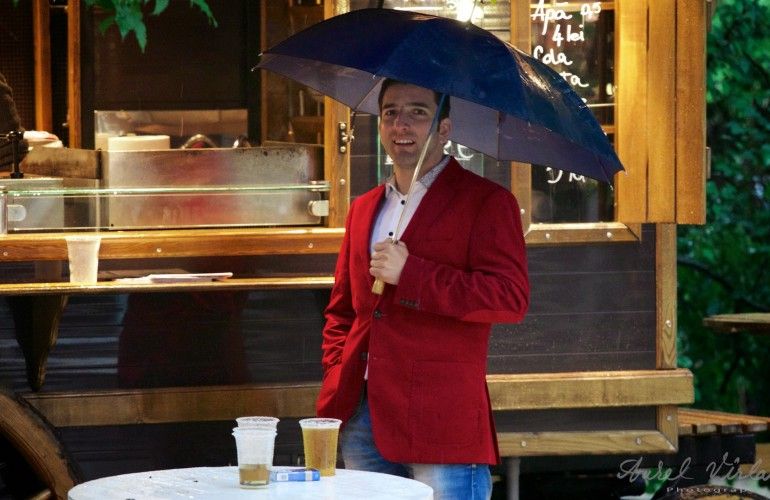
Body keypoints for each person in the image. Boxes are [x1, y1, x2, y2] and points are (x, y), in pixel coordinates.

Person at [317, 79, 530, 500]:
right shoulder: (363, 208)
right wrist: (338, 371)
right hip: (363, 414)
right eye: (391, 113)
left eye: (418, 112)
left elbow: (509, 298)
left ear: (444, 128)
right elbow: (343, 310)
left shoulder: (486, 202)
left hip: (442, 418)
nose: (402, 125)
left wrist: (412, 273)